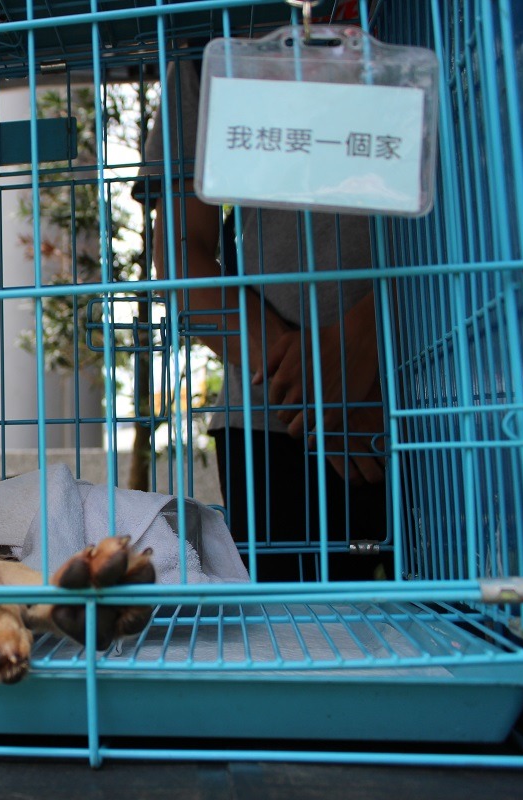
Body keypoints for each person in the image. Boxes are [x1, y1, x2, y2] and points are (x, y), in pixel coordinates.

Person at [141, 57, 388, 582]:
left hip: (427, 407)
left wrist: (361, 341)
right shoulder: (209, 46)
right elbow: (182, 253)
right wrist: (307, 383)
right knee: (283, 645)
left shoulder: (430, 27)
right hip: (271, 420)